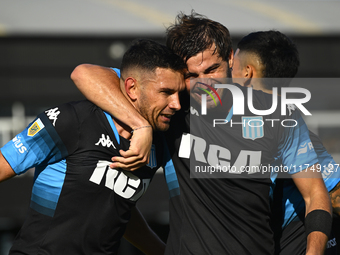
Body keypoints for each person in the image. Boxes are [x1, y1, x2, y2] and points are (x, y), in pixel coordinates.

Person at [70, 12, 332, 255]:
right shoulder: (172, 109)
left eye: (211, 70)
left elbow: (315, 195)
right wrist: (141, 125)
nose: (205, 85)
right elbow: (84, 73)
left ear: (231, 58)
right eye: (192, 75)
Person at [0, 39, 186, 254]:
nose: (176, 104)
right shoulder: (71, 121)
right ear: (132, 88)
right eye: (166, 92)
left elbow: (116, 208)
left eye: (179, 94)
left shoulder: (159, 142)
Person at [232, 30, 340, 255]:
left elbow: (332, 195)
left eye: (232, 62)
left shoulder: (291, 130)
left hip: (296, 239)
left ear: (247, 72)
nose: (226, 69)